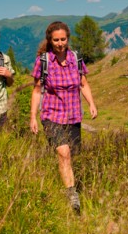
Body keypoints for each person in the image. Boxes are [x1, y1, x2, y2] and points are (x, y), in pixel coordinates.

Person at [30, 21, 98, 214]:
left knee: (74, 154)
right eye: (56, 40)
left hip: (74, 116)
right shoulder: (44, 62)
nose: (60, 43)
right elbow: (36, 90)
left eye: (63, 39)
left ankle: (71, 184)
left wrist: (91, 103)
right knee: (63, 153)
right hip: (51, 115)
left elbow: (83, 83)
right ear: (50, 41)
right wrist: (33, 117)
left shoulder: (75, 59)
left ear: (67, 39)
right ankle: (72, 197)